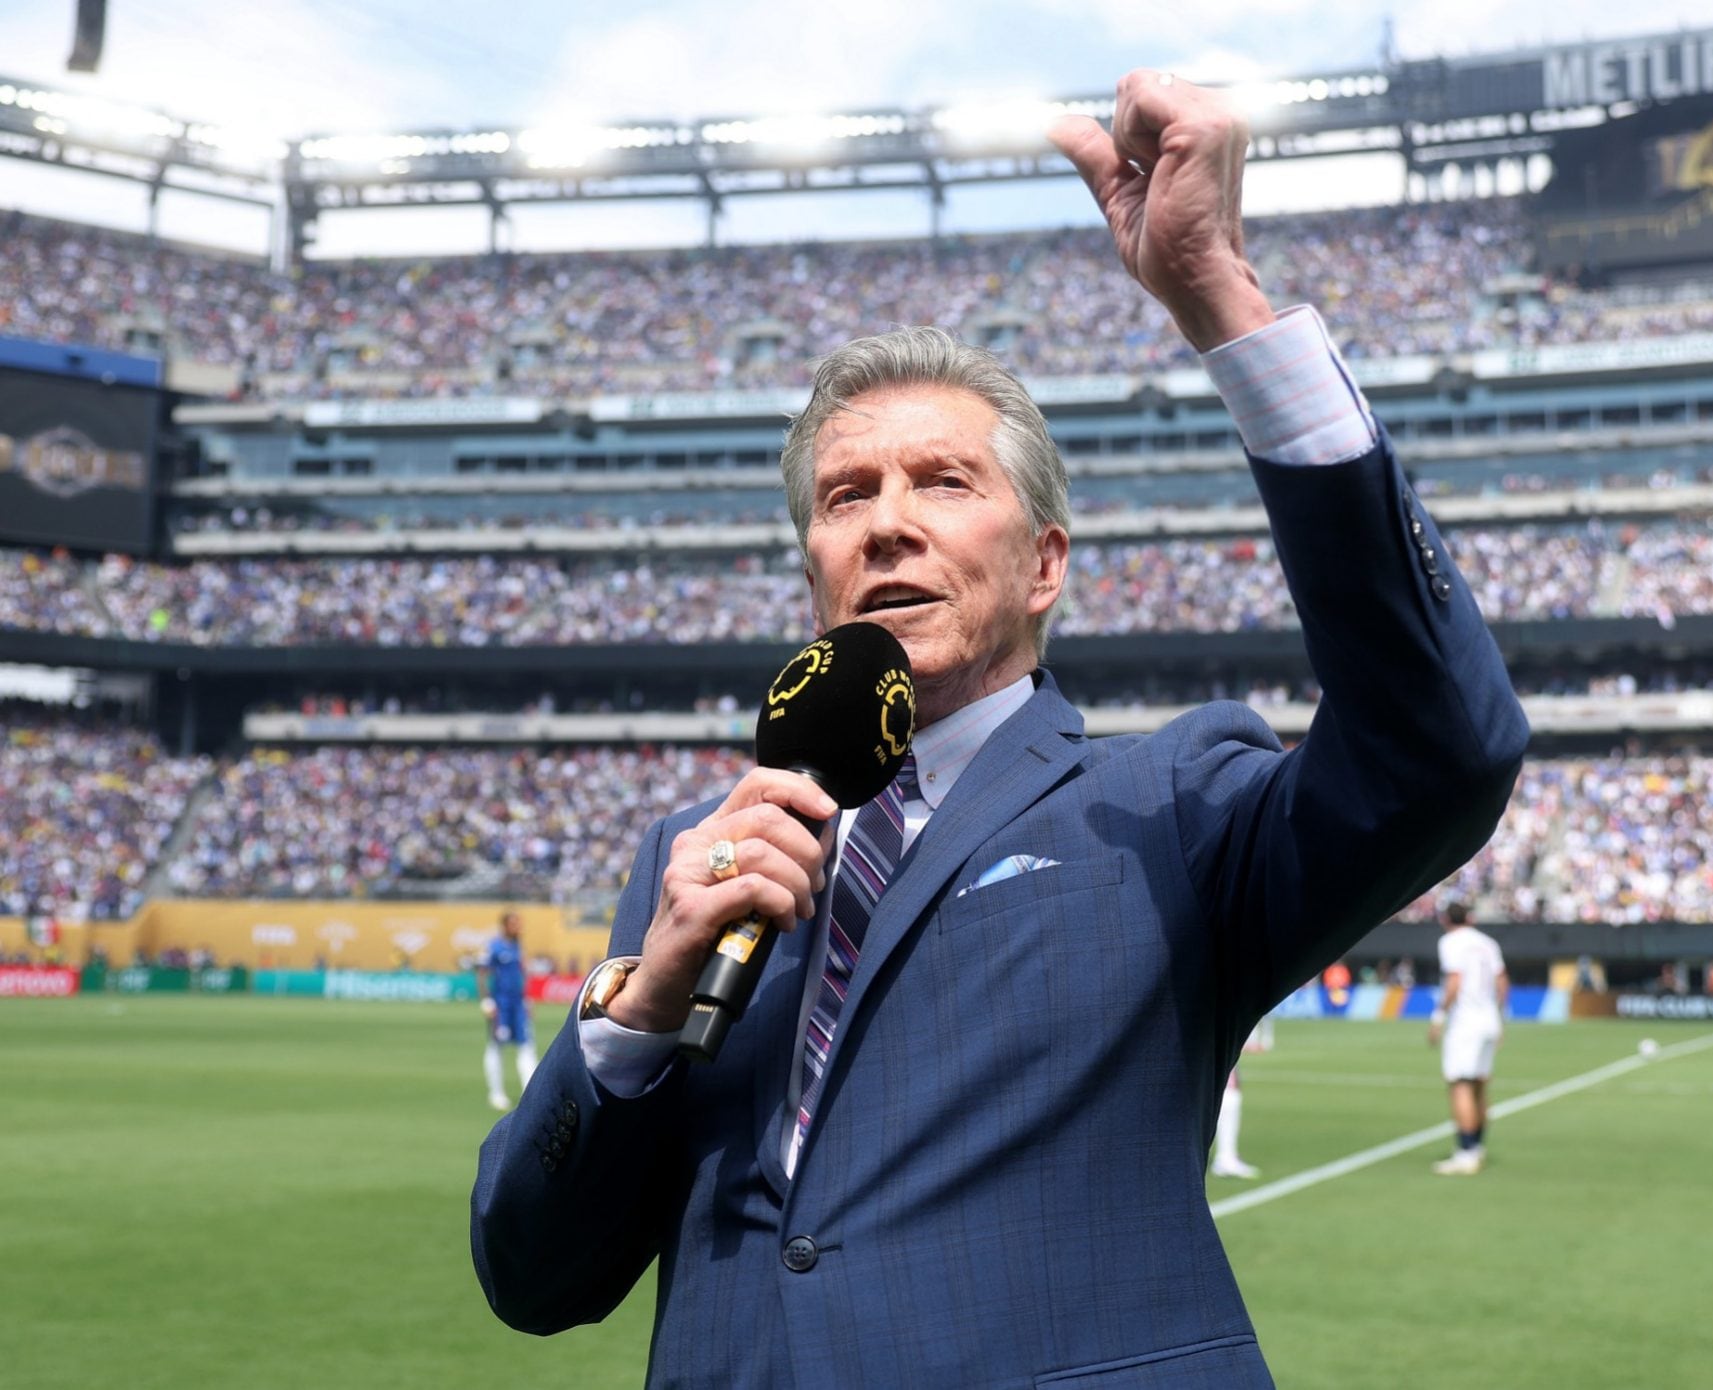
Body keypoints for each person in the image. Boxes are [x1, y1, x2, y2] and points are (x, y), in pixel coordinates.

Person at [470, 70, 1528, 1390]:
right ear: (815, 566)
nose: (887, 520)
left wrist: (1220, 298)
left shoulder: (1171, 807)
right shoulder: (701, 856)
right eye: (848, 492)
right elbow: (532, 1275)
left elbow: (1444, 747)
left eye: (943, 481)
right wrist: (638, 1011)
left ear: (1043, 564)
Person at [1429, 899, 1507, 1175]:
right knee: (1479, 1086)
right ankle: (1477, 1147)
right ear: (1470, 918)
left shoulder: (1450, 942)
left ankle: (1466, 1153)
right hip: (1488, 1020)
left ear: (1445, 920)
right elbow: (1502, 983)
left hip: (1466, 1023)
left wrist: (1438, 1017)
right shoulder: (1488, 942)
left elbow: (1454, 981)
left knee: (1460, 1084)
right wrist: (1499, 1018)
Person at [476, 909, 536, 1110]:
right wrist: (487, 1001)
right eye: (514, 923)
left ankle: (530, 1091)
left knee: (526, 1045)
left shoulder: (518, 945)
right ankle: (496, 1093)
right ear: (505, 926)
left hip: (518, 1004)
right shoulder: (494, 946)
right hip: (501, 1004)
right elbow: (482, 974)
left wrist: (527, 1000)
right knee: (496, 1046)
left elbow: (523, 974)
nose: (518, 927)